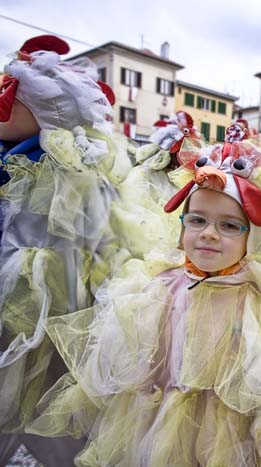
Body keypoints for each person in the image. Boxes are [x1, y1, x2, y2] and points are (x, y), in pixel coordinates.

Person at [26, 144, 261, 466]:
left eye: (229, 225)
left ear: (252, 238)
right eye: (198, 220)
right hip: (156, 431)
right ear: (182, 225)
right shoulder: (159, 287)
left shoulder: (260, 301)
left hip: (228, 442)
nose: (209, 234)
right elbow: (123, 366)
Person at [0, 35, 126, 466]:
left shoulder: (77, 175)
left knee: (47, 411)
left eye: (10, 95)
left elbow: (95, 251)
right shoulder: (8, 158)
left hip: (52, 323)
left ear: (42, 110)